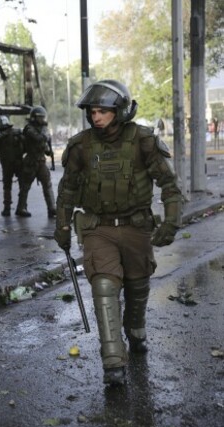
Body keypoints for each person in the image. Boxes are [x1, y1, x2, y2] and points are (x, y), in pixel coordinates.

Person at [53, 79, 182, 386]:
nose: (96, 117)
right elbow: (67, 190)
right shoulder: (80, 146)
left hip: (136, 227)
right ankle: (113, 362)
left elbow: (169, 185)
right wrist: (62, 226)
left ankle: (136, 331)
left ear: (120, 111)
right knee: (104, 287)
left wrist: (172, 222)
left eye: (103, 111)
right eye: (92, 111)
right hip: (98, 228)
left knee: (138, 286)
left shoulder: (143, 140)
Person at [18, 106, 56, 218]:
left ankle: (52, 208)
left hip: (41, 161)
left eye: (43, 117)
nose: (42, 119)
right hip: (31, 161)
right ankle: (21, 208)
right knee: (25, 187)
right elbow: (38, 138)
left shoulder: (42, 129)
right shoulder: (29, 129)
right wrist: (46, 133)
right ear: (34, 117)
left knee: (47, 185)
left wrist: (49, 151)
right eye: (40, 117)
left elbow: (44, 145)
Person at [0, 115, 24, 217]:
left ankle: (7, 209)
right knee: (22, 185)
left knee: (7, 186)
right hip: (19, 162)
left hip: (6, 165)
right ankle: (22, 207)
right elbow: (25, 146)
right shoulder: (17, 132)